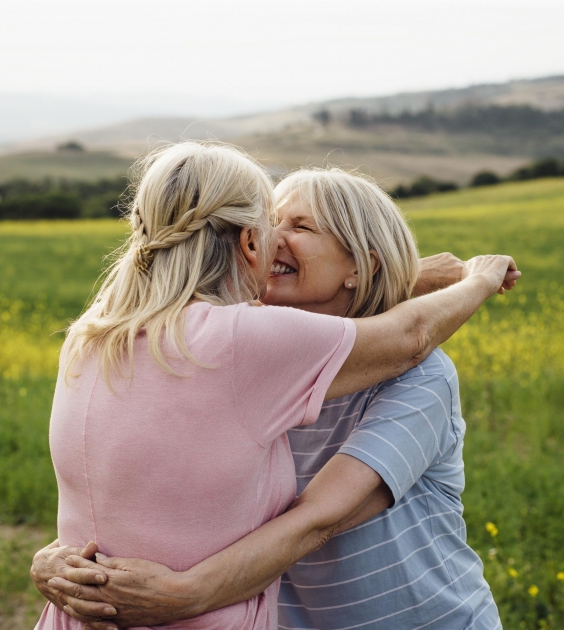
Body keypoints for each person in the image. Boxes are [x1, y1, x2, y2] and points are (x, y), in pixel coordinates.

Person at [32, 145, 518, 629]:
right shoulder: (231, 352)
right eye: (270, 222)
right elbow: (160, 499)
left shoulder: (420, 375)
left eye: (301, 227)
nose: (275, 239)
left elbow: (319, 519)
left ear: (359, 266)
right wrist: (62, 556)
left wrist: (185, 594)